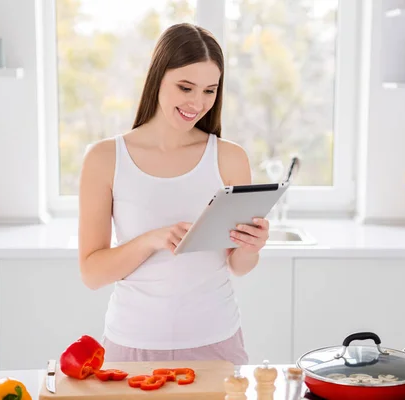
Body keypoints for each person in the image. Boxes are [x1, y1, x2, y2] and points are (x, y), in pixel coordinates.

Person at [77, 23, 270, 365]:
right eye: (186, 87)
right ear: (157, 78)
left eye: (210, 90)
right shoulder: (105, 158)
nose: (197, 103)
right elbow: (92, 274)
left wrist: (251, 246)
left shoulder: (229, 158)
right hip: (132, 343)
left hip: (217, 342)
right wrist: (152, 240)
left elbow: (239, 265)